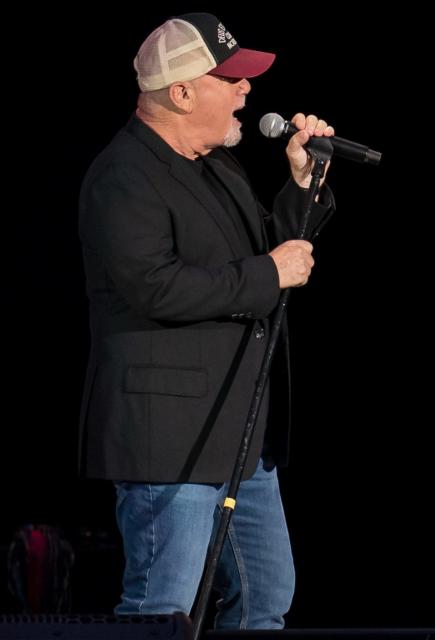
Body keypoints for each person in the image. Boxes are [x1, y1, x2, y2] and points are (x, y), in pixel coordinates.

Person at [78, 12, 335, 629]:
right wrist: (268, 274)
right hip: (172, 438)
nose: (247, 91)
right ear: (183, 92)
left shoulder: (217, 164)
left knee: (266, 598)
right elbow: (154, 287)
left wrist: (303, 185)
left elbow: (272, 252)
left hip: (240, 437)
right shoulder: (124, 175)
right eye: (232, 79)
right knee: (163, 608)